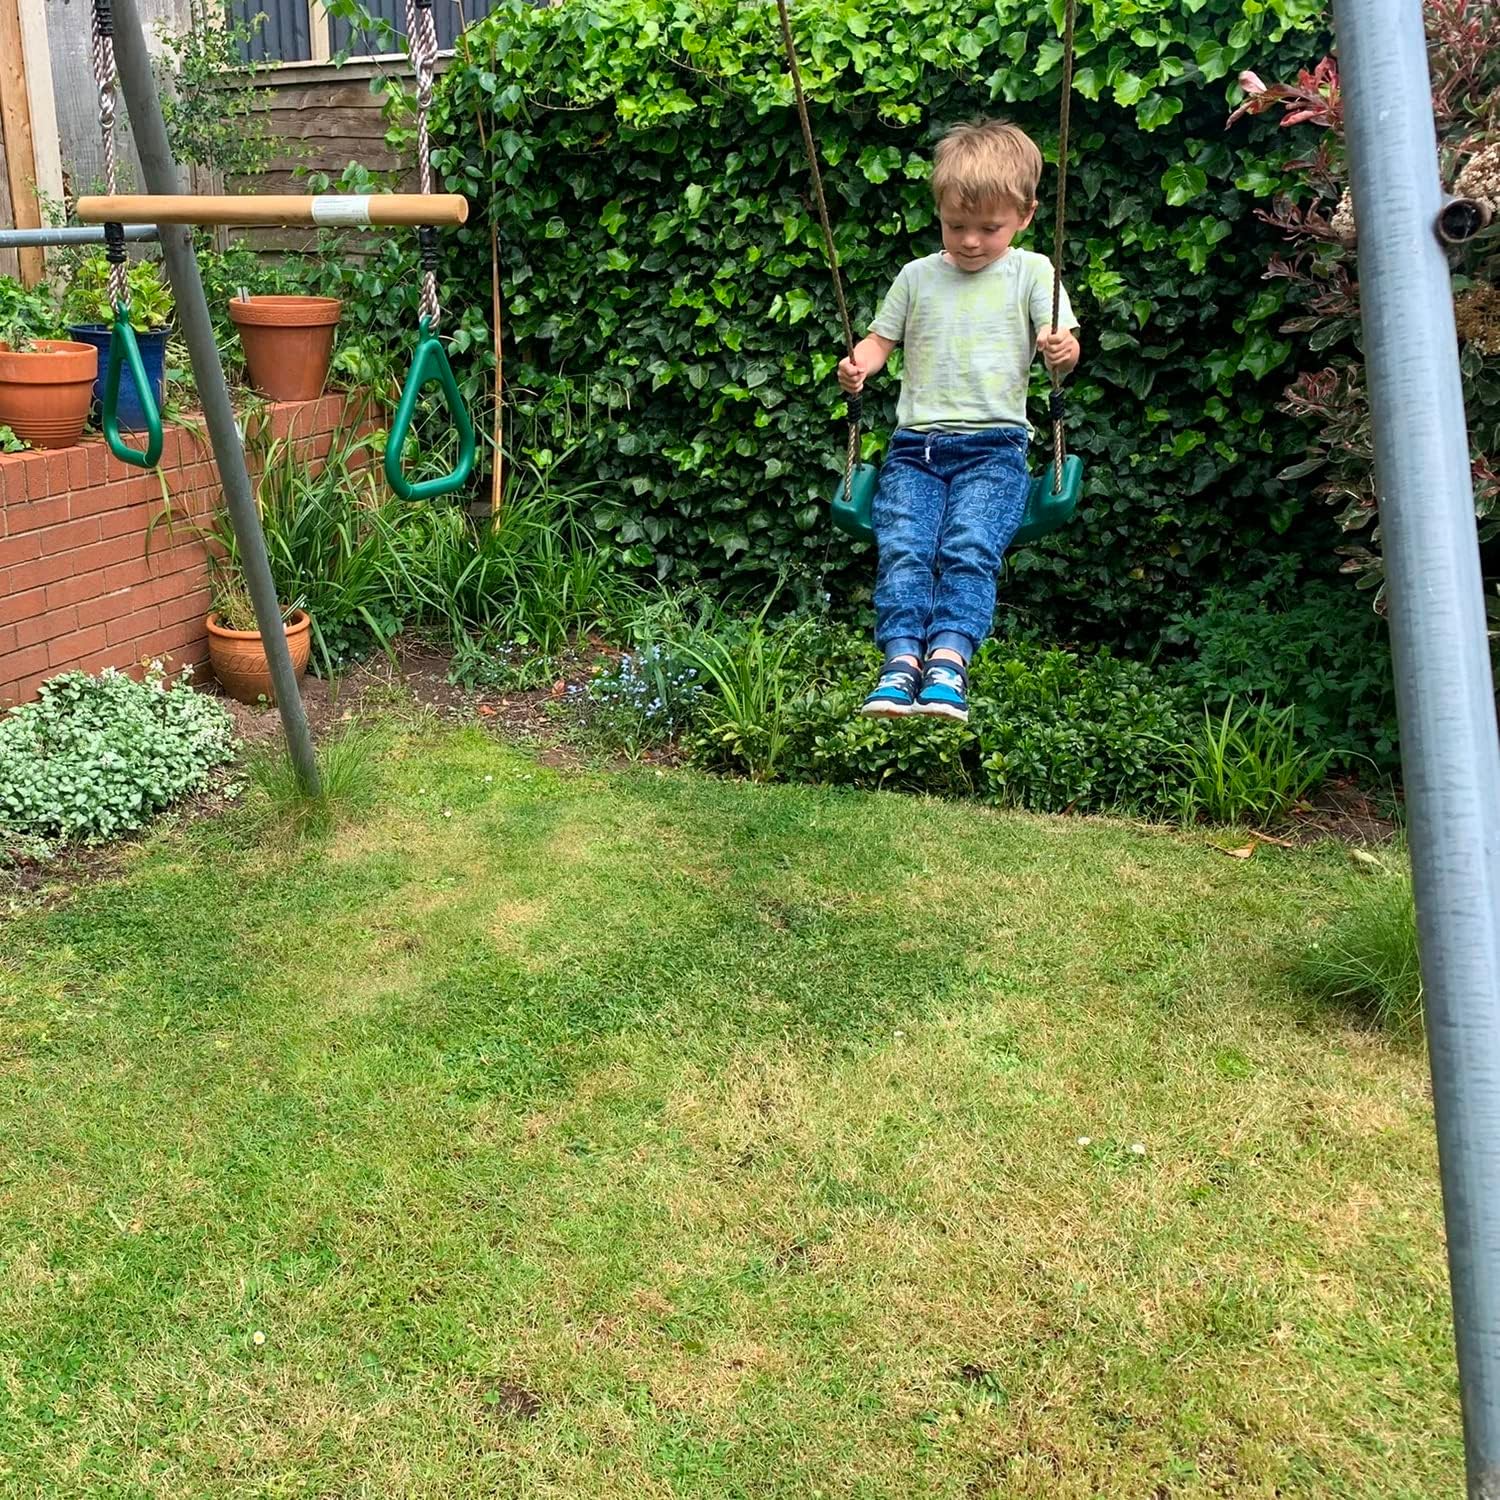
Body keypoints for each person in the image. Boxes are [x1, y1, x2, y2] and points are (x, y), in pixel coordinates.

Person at [837, 118, 1081, 724]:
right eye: (955, 226)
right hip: (914, 448)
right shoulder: (917, 277)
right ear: (939, 213)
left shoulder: (1033, 273)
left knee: (969, 546)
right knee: (905, 548)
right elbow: (879, 341)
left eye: (989, 228)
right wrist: (858, 366)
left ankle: (948, 661)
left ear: (1024, 215)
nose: (970, 241)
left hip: (995, 447)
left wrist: (1061, 349)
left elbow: (1065, 349)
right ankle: (900, 663)